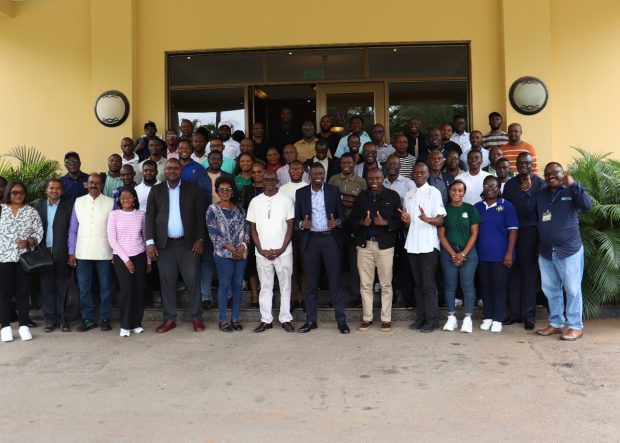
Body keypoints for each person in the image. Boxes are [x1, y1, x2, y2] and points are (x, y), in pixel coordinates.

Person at [146, 159, 206, 333]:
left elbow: (200, 216)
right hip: (164, 246)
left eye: (175, 168)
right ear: (164, 171)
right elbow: (149, 218)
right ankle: (169, 319)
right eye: (169, 168)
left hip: (189, 245)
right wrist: (150, 242)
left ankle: (197, 317)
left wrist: (200, 239)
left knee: (193, 282)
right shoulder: (156, 190)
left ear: (181, 171)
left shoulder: (193, 189)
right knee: (167, 283)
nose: (172, 171)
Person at [535, 162, 592, 341]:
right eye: (547, 173)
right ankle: (556, 323)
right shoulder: (540, 194)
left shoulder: (571, 190)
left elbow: (587, 205)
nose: (551, 176)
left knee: (572, 290)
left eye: (555, 172)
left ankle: (575, 326)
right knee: (551, 289)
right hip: (546, 251)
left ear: (563, 173)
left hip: (569, 250)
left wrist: (574, 185)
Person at [295, 163, 349, 334]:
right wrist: (302, 224)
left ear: (324, 175)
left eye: (321, 173)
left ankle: (341, 321)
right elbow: (296, 219)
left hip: (330, 240)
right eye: (315, 173)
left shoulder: (333, 191)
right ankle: (311, 320)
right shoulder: (301, 193)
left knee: (335, 282)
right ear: (309, 175)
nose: (318, 176)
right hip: (311, 240)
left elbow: (342, 217)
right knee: (311, 283)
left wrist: (336, 222)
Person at [349, 168, 402, 332]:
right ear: (367, 179)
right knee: (365, 284)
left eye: (377, 178)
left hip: (385, 247)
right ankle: (367, 318)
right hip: (365, 246)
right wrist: (361, 223)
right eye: (371, 178)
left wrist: (386, 223)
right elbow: (351, 220)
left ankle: (386, 319)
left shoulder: (393, 196)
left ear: (382, 178)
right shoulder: (362, 197)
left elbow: (400, 222)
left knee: (386, 284)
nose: (374, 181)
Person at [399, 163, 446, 332]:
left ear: (427, 175)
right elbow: (408, 224)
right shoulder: (409, 194)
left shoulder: (434, 192)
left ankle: (432, 320)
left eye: (422, 172)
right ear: (412, 174)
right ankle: (421, 318)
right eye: (416, 172)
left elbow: (441, 219)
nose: (419, 174)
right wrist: (406, 221)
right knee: (418, 284)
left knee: (428, 284)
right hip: (412, 244)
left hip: (428, 245)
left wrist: (428, 219)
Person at [247, 171, 295, 333]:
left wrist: (281, 249)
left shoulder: (286, 200)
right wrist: (260, 249)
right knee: (265, 286)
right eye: (266, 179)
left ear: (277, 181)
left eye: (271, 179)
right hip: (262, 252)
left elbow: (290, 227)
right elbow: (253, 228)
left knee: (285, 286)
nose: (268, 182)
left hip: (283, 252)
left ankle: (285, 319)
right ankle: (266, 320)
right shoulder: (255, 201)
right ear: (261, 181)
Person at [503, 152, 546, 330]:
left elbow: (544, 213)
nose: (523, 166)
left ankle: (529, 316)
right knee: (513, 274)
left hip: (531, 234)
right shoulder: (510, 185)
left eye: (527, 163)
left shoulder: (540, 184)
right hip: (512, 233)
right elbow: (505, 210)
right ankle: (515, 314)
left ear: (532, 164)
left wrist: (541, 239)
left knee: (529, 275)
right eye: (520, 163)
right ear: (516, 164)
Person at [68, 174, 115, 332]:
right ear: (86, 185)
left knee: (106, 287)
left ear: (102, 185)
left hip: (105, 251)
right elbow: (73, 230)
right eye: (91, 182)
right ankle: (88, 319)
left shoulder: (111, 202)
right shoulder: (78, 202)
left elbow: (116, 228)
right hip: (82, 251)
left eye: (97, 183)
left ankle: (104, 318)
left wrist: (116, 251)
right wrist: (71, 252)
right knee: (84, 288)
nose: (94, 185)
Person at [474, 175, 518, 333]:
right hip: (482, 255)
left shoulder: (507, 206)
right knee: (485, 287)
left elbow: (513, 230)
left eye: (493, 186)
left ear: (499, 189)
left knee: (499, 287)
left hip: (501, 256)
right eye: (487, 185)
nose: (490, 189)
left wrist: (509, 252)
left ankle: (498, 319)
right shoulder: (477, 207)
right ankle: (488, 317)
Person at [0, 181, 43, 342]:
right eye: (15, 192)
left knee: (23, 293)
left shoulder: (31, 211)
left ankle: (24, 325)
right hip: (3, 258)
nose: (18, 195)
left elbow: (38, 232)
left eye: (21, 192)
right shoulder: (1, 209)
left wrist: (29, 242)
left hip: (24, 259)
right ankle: (5, 327)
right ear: (8, 193)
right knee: (4, 294)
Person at [438, 180, 481, 333]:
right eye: (454, 190)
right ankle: (451, 318)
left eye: (460, 190)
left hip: (468, 253)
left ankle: (468, 318)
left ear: (464, 193)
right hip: (448, 252)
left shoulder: (471, 209)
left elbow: (474, 234)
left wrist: (462, 254)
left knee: (467, 285)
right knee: (450, 285)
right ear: (449, 192)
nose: (457, 193)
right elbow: (441, 236)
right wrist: (453, 254)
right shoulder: (443, 210)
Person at [207, 176, 249, 332]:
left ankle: (235, 318)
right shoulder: (212, 209)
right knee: (225, 285)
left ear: (232, 192)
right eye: (222, 190)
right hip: (223, 254)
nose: (225, 192)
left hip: (241, 254)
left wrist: (243, 246)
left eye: (228, 189)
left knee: (238, 285)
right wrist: (231, 248)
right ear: (217, 192)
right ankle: (223, 320)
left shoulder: (240, 209)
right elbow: (213, 233)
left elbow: (247, 229)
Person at [195, 150, 236, 310]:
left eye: (219, 159)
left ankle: (229, 295)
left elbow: (234, 198)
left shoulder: (228, 177)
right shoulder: (199, 176)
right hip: (205, 221)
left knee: (226, 258)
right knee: (206, 261)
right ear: (208, 160)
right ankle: (206, 296)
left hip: (226, 221)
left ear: (222, 161)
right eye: (213, 158)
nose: (215, 161)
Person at [107, 186, 149, 337]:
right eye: (122, 197)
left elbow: (145, 237)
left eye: (129, 197)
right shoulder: (114, 214)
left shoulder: (141, 215)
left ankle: (136, 323)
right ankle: (125, 324)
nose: (125, 200)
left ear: (134, 199)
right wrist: (126, 260)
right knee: (126, 290)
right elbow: (112, 239)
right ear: (119, 199)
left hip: (140, 255)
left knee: (138, 290)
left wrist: (148, 261)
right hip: (121, 257)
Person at [328, 152, 367, 307]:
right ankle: (334, 298)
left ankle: (355, 296)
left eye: (349, 163)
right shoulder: (333, 180)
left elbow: (363, 204)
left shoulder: (361, 182)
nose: (346, 165)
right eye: (343, 163)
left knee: (355, 264)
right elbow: (329, 202)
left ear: (354, 163)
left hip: (354, 228)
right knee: (334, 265)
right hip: (336, 228)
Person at [34, 179, 73, 332]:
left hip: (62, 252)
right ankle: (50, 319)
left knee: (62, 286)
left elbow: (72, 231)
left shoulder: (69, 206)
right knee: (47, 286)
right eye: (51, 188)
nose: (54, 190)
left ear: (62, 191)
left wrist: (71, 252)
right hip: (44, 252)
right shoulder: (38, 207)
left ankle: (62, 318)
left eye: (57, 188)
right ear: (46, 190)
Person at [383, 154, 415, 308]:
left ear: (400, 166)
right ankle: (392, 297)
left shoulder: (409, 183)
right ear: (385, 166)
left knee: (406, 266)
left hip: (404, 231)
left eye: (395, 164)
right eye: (389, 163)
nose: (392, 166)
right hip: (386, 230)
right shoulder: (381, 182)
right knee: (388, 267)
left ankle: (409, 299)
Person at [240, 162, 266, 307]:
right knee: (252, 264)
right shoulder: (246, 189)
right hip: (250, 231)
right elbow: (242, 212)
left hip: (268, 232)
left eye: (259, 171)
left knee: (266, 264)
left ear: (265, 172)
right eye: (254, 172)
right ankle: (255, 295)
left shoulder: (271, 189)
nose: (256, 175)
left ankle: (265, 293)